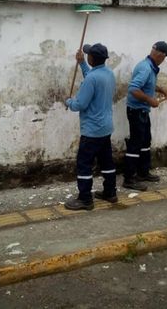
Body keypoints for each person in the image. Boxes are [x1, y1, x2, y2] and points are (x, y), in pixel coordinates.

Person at [65, 43, 118, 210]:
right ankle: (110, 192)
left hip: (92, 130)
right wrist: (82, 63)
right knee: (107, 162)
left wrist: (69, 102)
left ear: (92, 58)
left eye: (88, 55)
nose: (87, 56)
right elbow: (92, 77)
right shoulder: (109, 74)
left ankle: (85, 199)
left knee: (84, 164)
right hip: (105, 128)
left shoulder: (91, 79)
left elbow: (80, 104)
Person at [123, 41, 167, 191]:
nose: (163, 60)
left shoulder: (149, 67)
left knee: (145, 142)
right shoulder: (145, 68)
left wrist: (162, 90)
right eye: (164, 57)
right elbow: (133, 89)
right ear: (160, 55)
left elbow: (148, 85)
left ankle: (143, 172)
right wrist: (150, 100)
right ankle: (129, 179)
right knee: (135, 144)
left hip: (143, 111)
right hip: (136, 111)